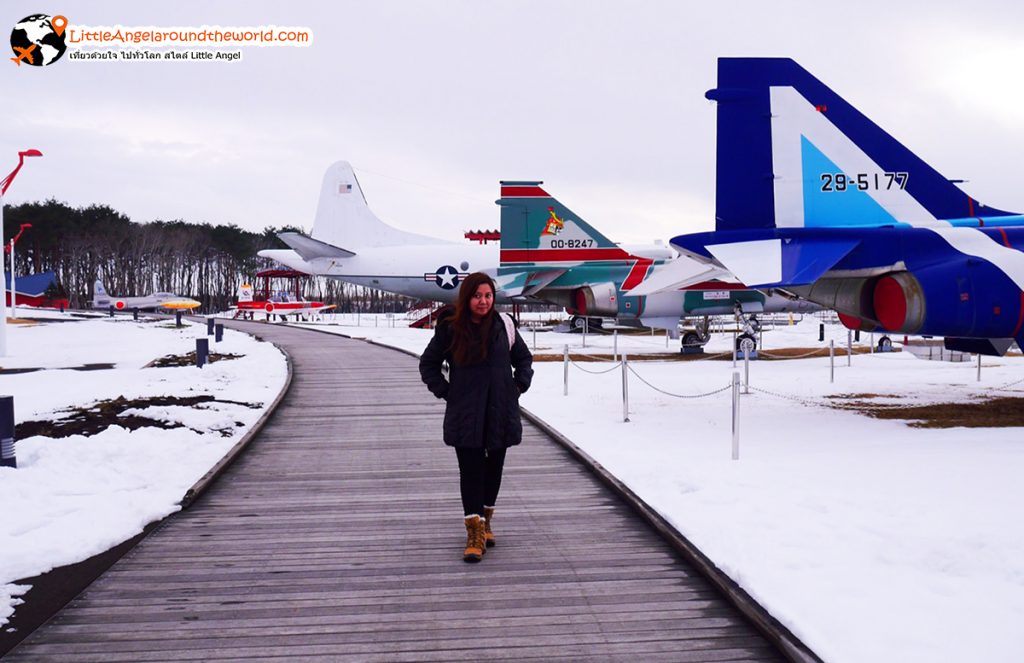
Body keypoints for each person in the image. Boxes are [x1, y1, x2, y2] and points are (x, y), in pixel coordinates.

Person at [419, 272, 534, 563]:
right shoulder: (450, 328)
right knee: (470, 471)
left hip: (499, 410)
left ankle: (486, 522)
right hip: (466, 412)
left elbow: (523, 359)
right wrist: (447, 392)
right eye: (477, 296)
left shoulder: (503, 325)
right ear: (466, 297)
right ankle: (473, 533)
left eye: (488, 296)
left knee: (493, 468)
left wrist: (517, 387)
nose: (483, 302)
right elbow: (428, 364)